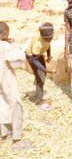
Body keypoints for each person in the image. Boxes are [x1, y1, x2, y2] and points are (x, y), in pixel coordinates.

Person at [0, 22, 33, 150]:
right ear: (4, 34)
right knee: (15, 103)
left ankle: (4, 133)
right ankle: (17, 139)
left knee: (2, 104)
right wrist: (13, 44)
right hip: (6, 77)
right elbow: (18, 60)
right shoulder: (5, 46)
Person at [25, 23, 56, 110]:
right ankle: (39, 101)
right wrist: (46, 70)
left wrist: (49, 55)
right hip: (32, 56)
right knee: (40, 77)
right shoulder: (38, 43)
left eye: (51, 37)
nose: (50, 39)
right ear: (43, 37)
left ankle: (40, 91)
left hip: (39, 54)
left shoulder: (48, 39)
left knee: (42, 74)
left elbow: (48, 45)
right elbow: (35, 60)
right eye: (48, 38)